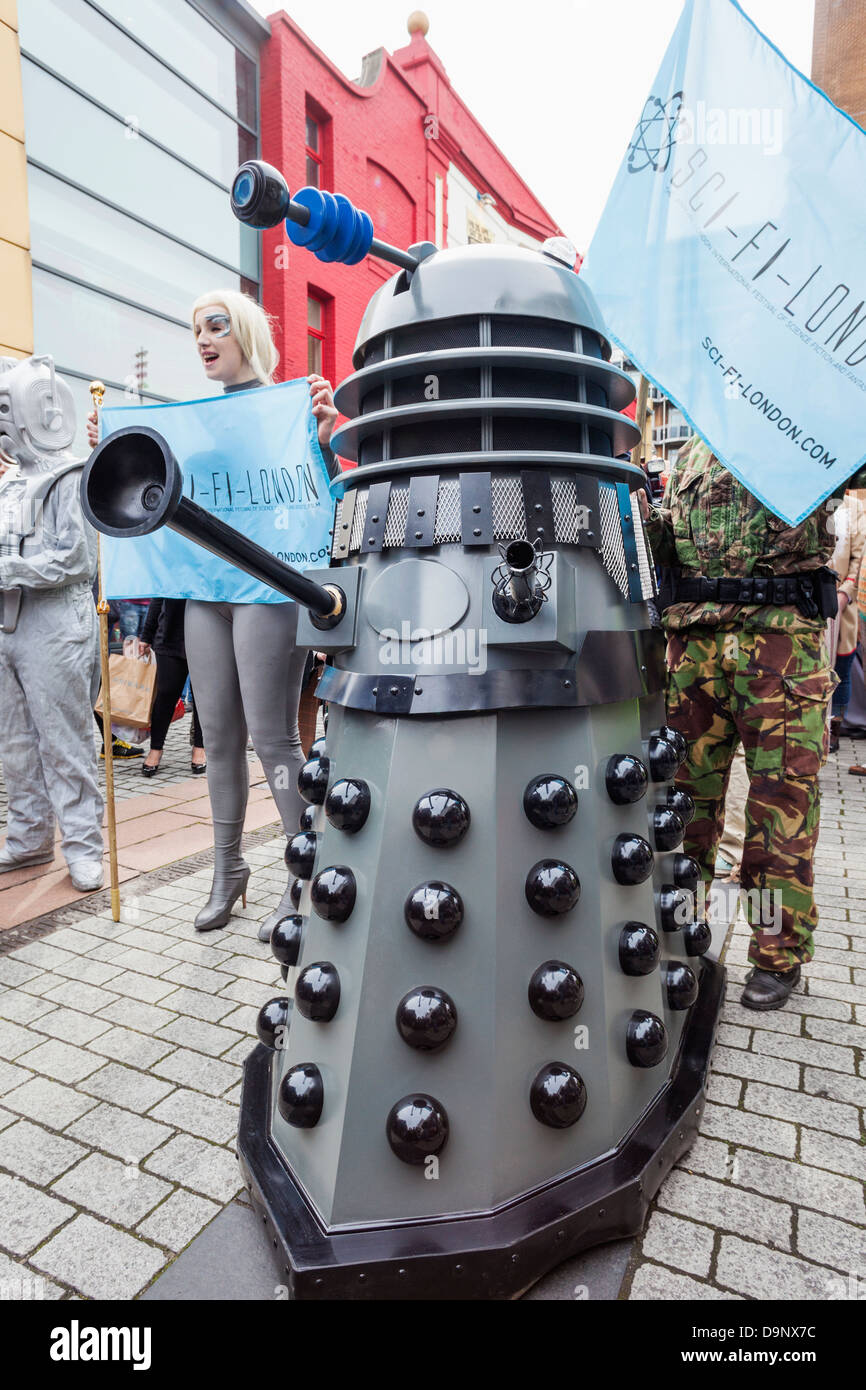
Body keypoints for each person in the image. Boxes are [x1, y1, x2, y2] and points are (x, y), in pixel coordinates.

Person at [88, 291, 339, 936]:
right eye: (195, 328)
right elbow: (152, 505)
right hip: (205, 597)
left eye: (216, 326)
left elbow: (329, 502)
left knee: (274, 736)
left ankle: (304, 875)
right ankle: (228, 870)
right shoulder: (194, 427)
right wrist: (109, 446)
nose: (202, 338)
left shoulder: (292, 405)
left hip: (266, 592)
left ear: (246, 332)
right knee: (221, 739)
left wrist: (324, 441)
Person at [640, 434, 838, 1012]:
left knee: (779, 809)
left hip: (778, 647)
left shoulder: (804, 433)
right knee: (682, 807)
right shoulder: (690, 453)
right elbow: (663, 546)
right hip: (694, 649)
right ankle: (680, 935)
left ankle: (776, 955)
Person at [0, 355, 105, 892]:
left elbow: (77, 560)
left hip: (56, 625)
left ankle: (84, 845)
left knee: (65, 740)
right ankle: (28, 836)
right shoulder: (9, 483)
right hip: (7, 627)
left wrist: (8, 567)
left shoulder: (72, 476)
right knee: (15, 740)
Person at [136, 598, 206, 777]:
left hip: (205, 632)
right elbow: (158, 595)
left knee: (202, 694)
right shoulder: (170, 568)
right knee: (166, 693)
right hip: (170, 633)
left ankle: (200, 746)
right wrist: (146, 635)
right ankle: (156, 748)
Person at [826, 491, 866, 753]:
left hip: (843, 603)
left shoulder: (855, 508)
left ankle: (835, 729)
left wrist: (845, 592)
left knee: (841, 671)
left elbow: (858, 556)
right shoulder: (813, 498)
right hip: (809, 601)